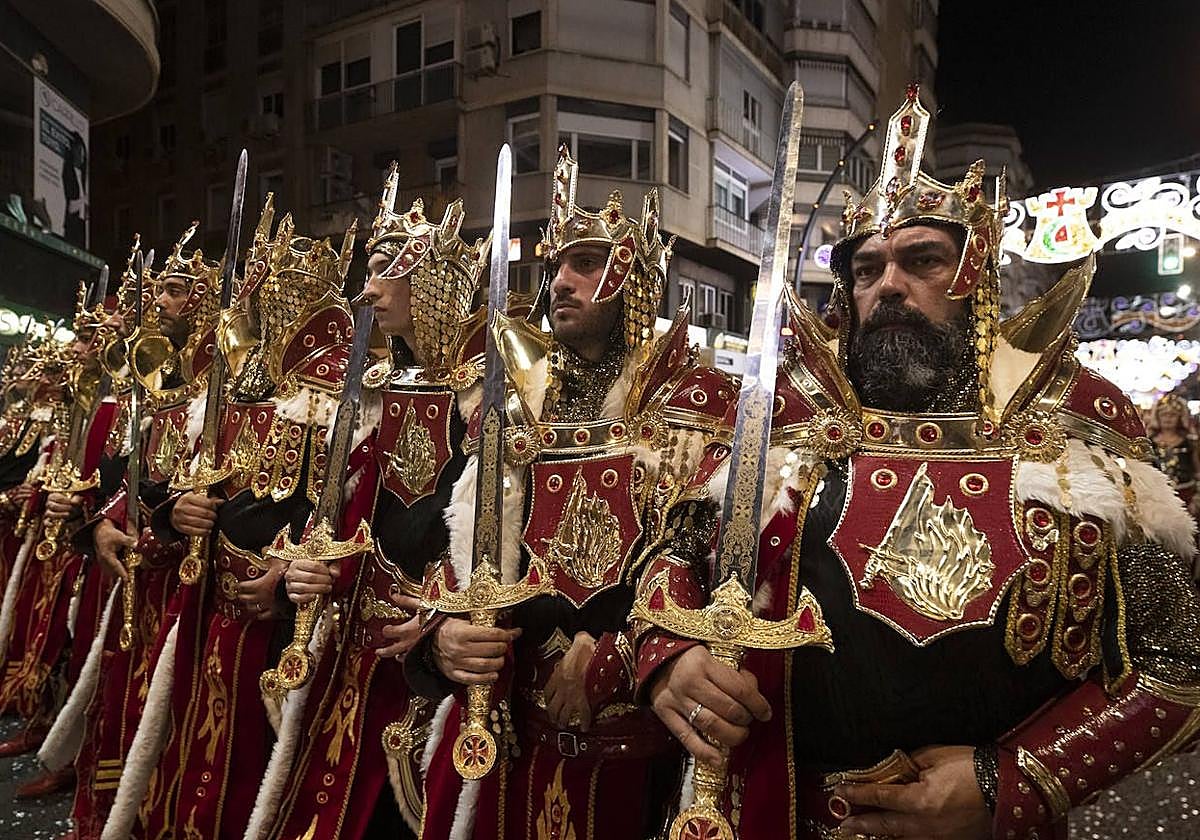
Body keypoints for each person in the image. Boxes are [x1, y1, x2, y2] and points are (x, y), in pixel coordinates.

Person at [638, 85, 1200, 840]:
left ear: (978, 281)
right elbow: (670, 557)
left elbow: (1175, 664)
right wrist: (670, 659)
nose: (889, 286)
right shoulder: (780, 420)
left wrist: (1016, 777)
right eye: (867, 270)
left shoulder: (1074, 430)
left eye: (922, 260)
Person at [413, 145, 736, 840]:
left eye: (585, 263)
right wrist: (445, 635)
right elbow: (460, 540)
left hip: (644, 765)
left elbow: (713, 568)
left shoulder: (697, 400)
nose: (560, 280)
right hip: (513, 746)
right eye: (557, 265)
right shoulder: (513, 401)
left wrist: (622, 651)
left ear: (635, 281)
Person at [246, 169, 491, 840]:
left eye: (387, 271)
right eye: (368, 269)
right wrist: (309, 563)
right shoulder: (375, 390)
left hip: (431, 642)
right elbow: (342, 504)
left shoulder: (487, 395)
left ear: (433, 280)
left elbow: (484, 527)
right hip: (355, 632)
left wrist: (444, 602)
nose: (367, 287)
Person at [101, 199, 357, 839]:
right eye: (263, 294)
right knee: (189, 753)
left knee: (256, 775)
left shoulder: (339, 390)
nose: (267, 308)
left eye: (282, 295)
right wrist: (174, 511)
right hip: (208, 600)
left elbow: (344, 507)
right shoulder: (230, 377)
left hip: (279, 618)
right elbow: (184, 480)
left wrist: (292, 570)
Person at [38, 229, 220, 840]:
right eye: (159, 289)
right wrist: (105, 521)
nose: (159, 301)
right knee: (121, 690)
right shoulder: (148, 391)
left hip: (191, 578)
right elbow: (135, 482)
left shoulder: (222, 388)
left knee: (177, 712)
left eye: (174, 290)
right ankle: (112, 811)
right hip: (136, 570)